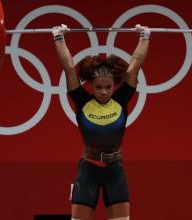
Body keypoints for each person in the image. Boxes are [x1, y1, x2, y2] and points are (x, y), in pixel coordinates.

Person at [53, 24, 150, 220]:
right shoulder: (82, 100)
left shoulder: (121, 99)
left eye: (108, 87)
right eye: (98, 87)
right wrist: (58, 38)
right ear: (91, 85)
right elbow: (69, 67)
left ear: (115, 85)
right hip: (88, 169)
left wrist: (145, 36)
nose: (104, 92)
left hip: (115, 170)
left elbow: (136, 63)